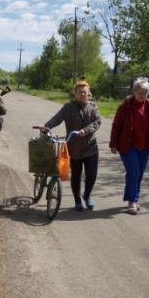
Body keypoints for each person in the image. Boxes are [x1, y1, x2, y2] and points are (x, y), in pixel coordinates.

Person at [40, 80, 101, 211]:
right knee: (76, 176)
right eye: (80, 92)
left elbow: (97, 121)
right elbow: (57, 118)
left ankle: (87, 195)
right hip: (74, 149)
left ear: (88, 93)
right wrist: (46, 127)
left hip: (91, 148)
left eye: (85, 92)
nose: (83, 94)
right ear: (75, 93)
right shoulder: (68, 108)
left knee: (92, 175)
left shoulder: (93, 107)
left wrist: (87, 130)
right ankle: (77, 201)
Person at [109, 78, 149, 215]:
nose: (143, 95)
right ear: (134, 92)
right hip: (128, 146)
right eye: (140, 92)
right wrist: (113, 143)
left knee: (139, 174)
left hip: (145, 146)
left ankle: (134, 197)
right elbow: (117, 125)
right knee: (133, 172)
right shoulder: (125, 106)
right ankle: (132, 201)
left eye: (145, 92)